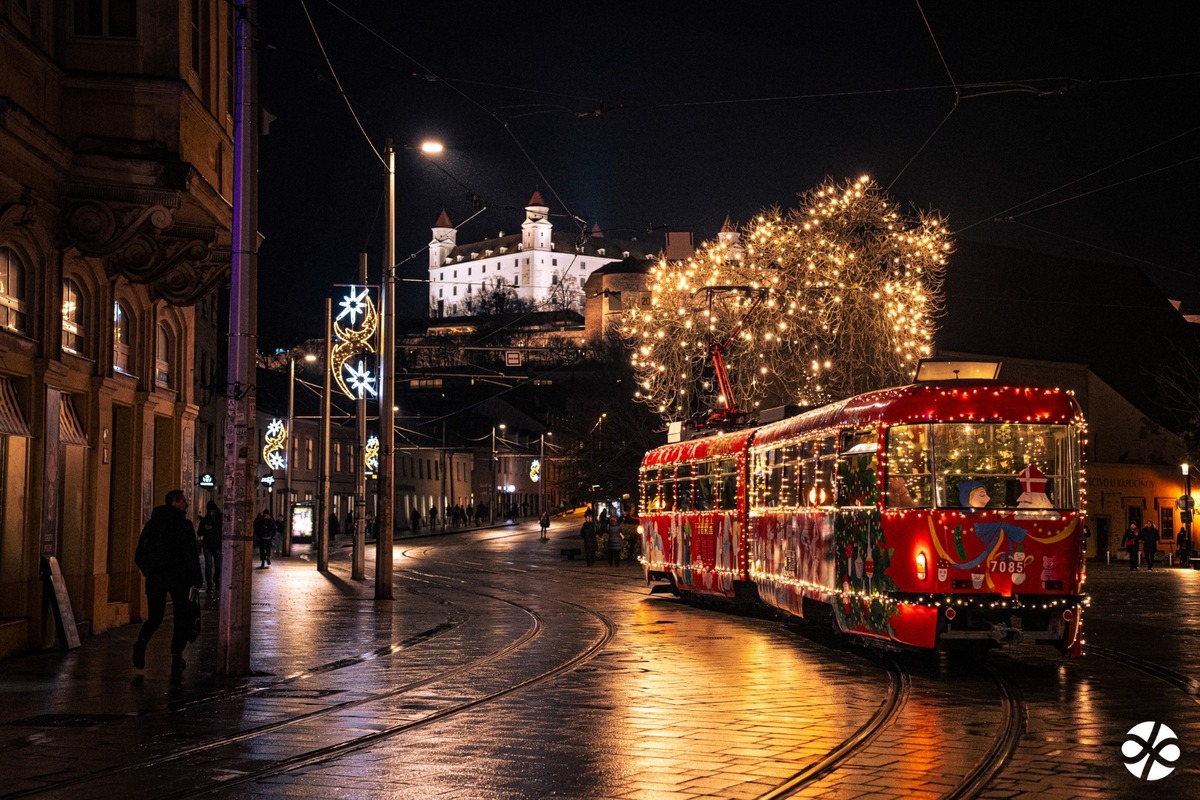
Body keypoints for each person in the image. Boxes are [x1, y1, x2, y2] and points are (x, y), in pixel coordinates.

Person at [133, 489, 203, 673]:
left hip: (156, 577)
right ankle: (176, 656)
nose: (186, 505)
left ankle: (141, 642)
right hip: (179, 579)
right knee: (181, 617)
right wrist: (196, 578)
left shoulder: (152, 524)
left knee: (155, 617)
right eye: (183, 501)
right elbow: (191, 555)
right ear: (174, 503)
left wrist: (149, 570)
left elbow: (140, 553)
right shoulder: (184, 525)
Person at [196, 500, 221, 594]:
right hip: (207, 546)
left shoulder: (220, 519)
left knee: (218, 566)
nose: (211, 513)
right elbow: (199, 532)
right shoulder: (205, 520)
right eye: (210, 511)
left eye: (213, 511)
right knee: (208, 565)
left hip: (218, 545)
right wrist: (205, 529)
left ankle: (216, 581)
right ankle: (209, 584)